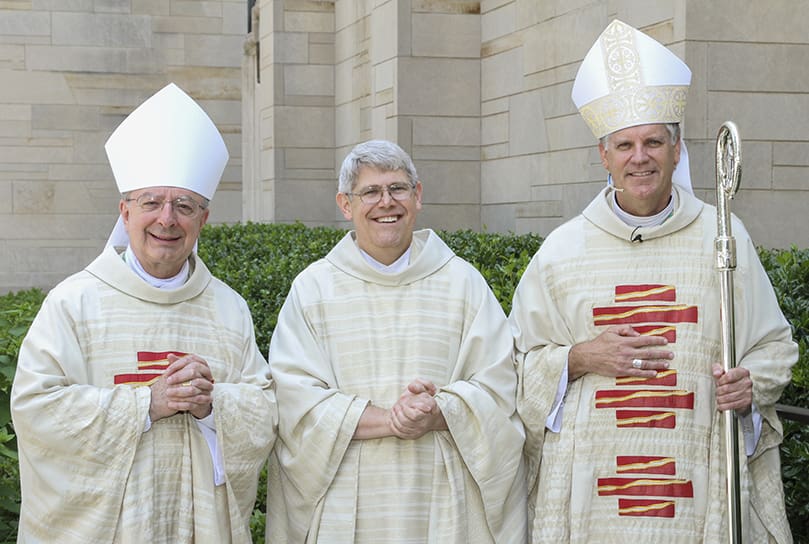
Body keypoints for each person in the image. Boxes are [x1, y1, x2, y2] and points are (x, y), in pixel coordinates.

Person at [509, 19, 797, 544]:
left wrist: (749, 383)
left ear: (676, 149)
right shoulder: (561, 252)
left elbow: (774, 345)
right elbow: (513, 365)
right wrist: (579, 357)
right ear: (604, 155)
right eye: (624, 145)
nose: (639, 158)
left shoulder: (724, 238)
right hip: (592, 491)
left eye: (652, 142)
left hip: (694, 478)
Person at [11, 83, 277, 543]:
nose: (167, 219)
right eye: (151, 202)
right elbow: (36, 408)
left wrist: (213, 404)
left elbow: (265, 409)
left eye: (185, 206)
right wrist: (147, 403)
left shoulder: (228, 308)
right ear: (125, 211)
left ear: (204, 219)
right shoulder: (74, 302)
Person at [264, 139, 527, 543]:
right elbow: (294, 399)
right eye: (370, 192)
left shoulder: (462, 282)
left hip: (442, 499)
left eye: (397, 188)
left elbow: (499, 387)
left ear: (417, 196)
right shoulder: (313, 289)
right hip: (346, 499)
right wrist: (390, 419)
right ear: (346, 204)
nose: (386, 202)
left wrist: (439, 411)